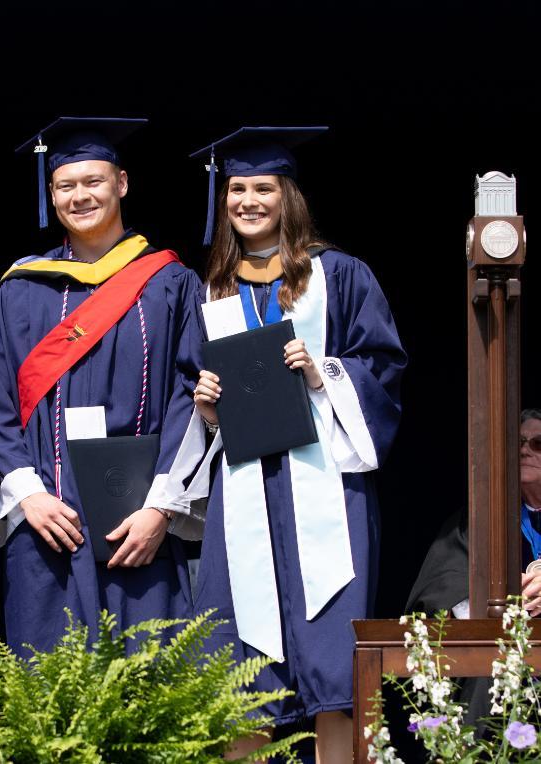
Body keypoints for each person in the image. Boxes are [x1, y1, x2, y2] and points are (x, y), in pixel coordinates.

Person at [184, 127, 406, 760]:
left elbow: (383, 371)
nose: (248, 201)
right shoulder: (211, 289)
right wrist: (204, 408)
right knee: (241, 671)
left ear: (288, 195)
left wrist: (322, 372)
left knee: (334, 669)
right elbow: (187, 397)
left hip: (326, 493)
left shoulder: (340, 275)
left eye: (263, 188)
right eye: (236, 189)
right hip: (244, 491)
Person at [0, 117, 203, 657]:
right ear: (51, 194)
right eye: (66, 185)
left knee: (148, 695)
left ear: (121, 184)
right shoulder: (20, 290)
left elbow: (191, 399)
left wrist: (161, 508)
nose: (80, 196)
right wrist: (29, 496)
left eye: (94, 182)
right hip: (48, 527)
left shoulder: (168, 282)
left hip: (140, 527)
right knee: (47, 701)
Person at [408, 408, 541, 618]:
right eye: (519, 443)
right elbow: (442, 587)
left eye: (537, 444)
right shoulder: (479, 521)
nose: (524, 451)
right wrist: (497, 595)